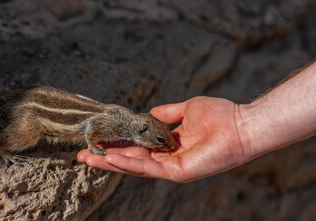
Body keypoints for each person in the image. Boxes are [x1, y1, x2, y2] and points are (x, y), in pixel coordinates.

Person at [77, 61, 316, 183]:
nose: (168, 147)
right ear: (143, 129)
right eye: (161, 141)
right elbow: (93, 128)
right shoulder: (122, 127)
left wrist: (244, 126)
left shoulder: (134, 125)